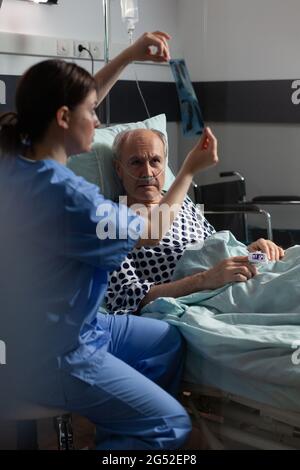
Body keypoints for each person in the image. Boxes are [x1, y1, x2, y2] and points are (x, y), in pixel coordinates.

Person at [0, 33, 219, 450]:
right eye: (93, 113)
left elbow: (79, 96)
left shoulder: (17, 158)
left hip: (64, 327)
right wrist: (189, 170)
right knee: (169, 423)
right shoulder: (72, 200)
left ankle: (117, 429)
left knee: (166, 342)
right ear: (64, 119)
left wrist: (132, 54)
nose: (98, 122)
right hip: (53, 353)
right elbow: (154, 230)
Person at [105, 128, 284, 315]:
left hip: (243, 272)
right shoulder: (113, 219)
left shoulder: (184, 202)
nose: (147, 172)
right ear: (119, 169)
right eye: (136, 162)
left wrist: (255, 252)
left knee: (291, 258)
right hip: (212, 293)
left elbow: (219, 252)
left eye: (155, 161)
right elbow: (125, 296)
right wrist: (204, 280)